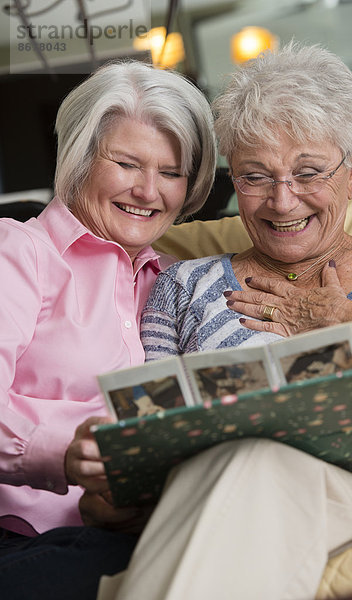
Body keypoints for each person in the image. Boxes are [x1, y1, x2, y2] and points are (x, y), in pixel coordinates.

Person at [94, 43, 352, 600]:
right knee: (239, 460)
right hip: (208, 489)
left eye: (308, 173)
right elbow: (154, 422)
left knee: (252, 459)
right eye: (257, 177)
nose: (282, 202)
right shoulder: (182, 287)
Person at [0, 58, 216, 599]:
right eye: (126, 163)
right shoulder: (20, 252)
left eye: (171, 173)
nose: (149, 191)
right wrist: (61, 452)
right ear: (78, 159)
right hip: (23, 536)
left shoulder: (177, 283)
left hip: (137, 528)